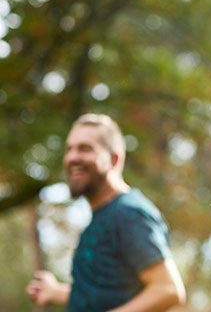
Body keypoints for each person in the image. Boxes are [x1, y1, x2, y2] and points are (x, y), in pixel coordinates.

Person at [26, 113, 186, 312]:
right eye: (69, 149)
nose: (72, 157)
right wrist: (57, 292)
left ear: (114, 159)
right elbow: (106, 294)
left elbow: (168, 289)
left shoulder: (130, 214)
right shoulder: (102, 217)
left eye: (85, 149)